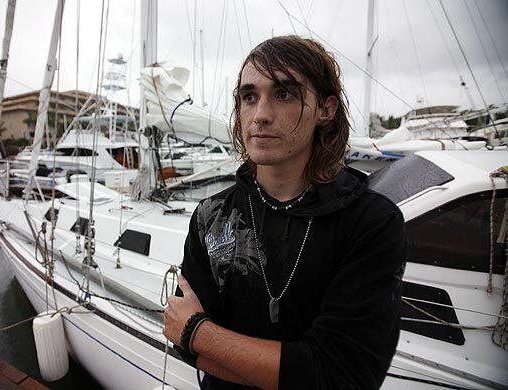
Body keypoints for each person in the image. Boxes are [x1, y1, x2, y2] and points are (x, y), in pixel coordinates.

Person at [163, 35, 406, 389]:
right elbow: (188, 350)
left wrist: (199, 332)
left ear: (326, 109)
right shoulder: (211, 217)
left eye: (284, 94)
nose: (260, 115)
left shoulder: (370, 223)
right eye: (249, 97)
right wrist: (196, 339)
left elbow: (339, 376)